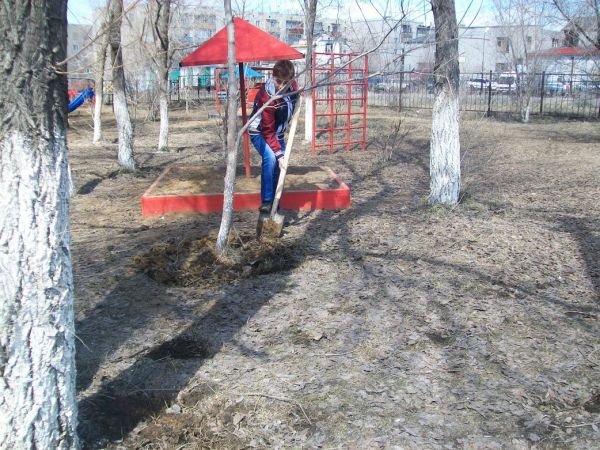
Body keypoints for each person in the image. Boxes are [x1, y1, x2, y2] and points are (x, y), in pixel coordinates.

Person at [249, 60, 298, 213]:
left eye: (286, 82)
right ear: (273, 76)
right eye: (278, 81)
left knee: (279, 167)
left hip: (278, 133)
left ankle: (275, 209)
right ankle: (267, 201)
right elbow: (268, 131)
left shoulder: (292, 86)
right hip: (259, 132)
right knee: (271, 157)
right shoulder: (267, 97)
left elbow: (294, 95)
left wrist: (298, 95)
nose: (281, 86)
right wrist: (279, 154)